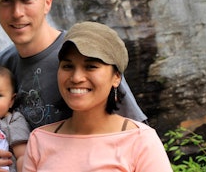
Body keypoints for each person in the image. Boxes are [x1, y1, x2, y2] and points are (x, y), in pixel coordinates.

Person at [0, 0, 148, 171]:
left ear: (47, 2)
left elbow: (136, 132)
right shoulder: (4, 62)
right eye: (7, 1)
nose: (17, 13)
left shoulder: (82, 51)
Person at [23, 21, 173, 171]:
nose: (76, 78)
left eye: (91, 67)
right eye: (68, 66)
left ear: (116, 77)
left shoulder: (140, 140)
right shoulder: (40, 140)